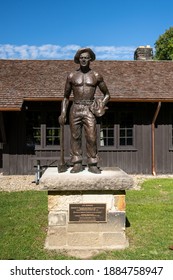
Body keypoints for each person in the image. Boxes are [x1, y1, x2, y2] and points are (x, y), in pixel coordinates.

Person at [59, 47, 110, 174]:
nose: (84, 60)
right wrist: (63, 112)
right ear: (78, 59)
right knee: (75, 137)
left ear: (90, 59)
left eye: (86, 58)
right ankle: (77, 163)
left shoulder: (96, 75)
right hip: (75, 108)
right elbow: (65, 97)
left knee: (91, 137)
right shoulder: (71, 76)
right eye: (81, 58)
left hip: (89, 109)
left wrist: (101, 105)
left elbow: (107, 94)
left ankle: (92, 163)